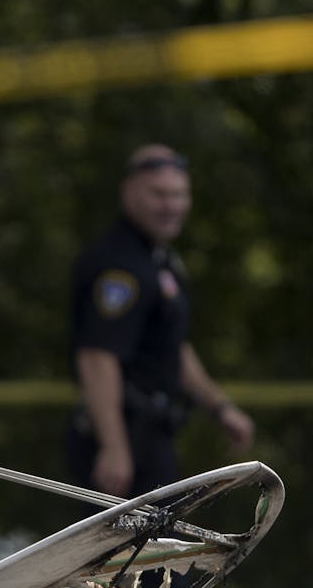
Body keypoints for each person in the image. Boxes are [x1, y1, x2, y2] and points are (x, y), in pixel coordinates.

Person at [66, 143, 254, 500]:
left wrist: (220, 407)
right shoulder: (120, 266)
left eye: (180, 195)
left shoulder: (160, 260)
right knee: (135, 554)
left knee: (162, 551)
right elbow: (97, 356)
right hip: (121, 441)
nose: (172, 206)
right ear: (129, 193)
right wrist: (114, 446)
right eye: (159, 194)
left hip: (152, 437)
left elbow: (174, 347)